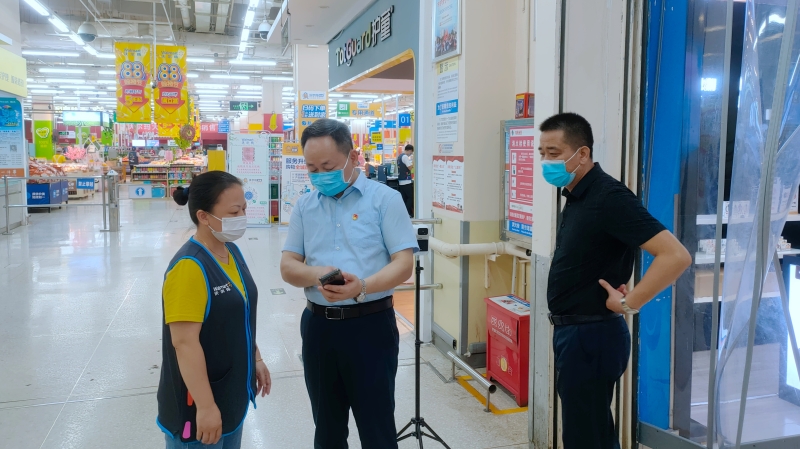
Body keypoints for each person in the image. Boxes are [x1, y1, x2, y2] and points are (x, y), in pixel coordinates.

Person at [539, 113, 691, 449]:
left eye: (554, 153)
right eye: (542, 153)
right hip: (575, 335)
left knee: (587, 438)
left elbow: (675, 256)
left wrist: (628, 302)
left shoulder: (608, 196)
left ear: (582, 153)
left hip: (592, 335)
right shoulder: (577, 195)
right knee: (587, 434)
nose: (546, 162)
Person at [280, 119, 418, 449]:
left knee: (377, 427)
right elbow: (288, 266)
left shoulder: (385, 200)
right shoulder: (305, 205)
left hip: (371, 326)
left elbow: (403, 264)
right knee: (327, 429)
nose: (319, 175)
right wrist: (319, 274)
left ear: (353, 157)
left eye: (327, 167)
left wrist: (362, 286)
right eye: (312, 168)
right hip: (319, 328)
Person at [157, 171, 272, 449]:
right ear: (204, 216)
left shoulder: (230, 251)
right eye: (234, 212)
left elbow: (238, 314)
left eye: (244, 209)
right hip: (198, 406)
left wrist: (255, 357)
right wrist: (206, 407)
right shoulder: (189, 267)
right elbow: (184, 343)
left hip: (230, 395)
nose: (242, 216)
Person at [397, 144, 414, 217]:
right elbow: (409, 167)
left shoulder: (399, 156)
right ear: (409, 150)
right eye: (411, 152)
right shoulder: (405, 157)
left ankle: (404, 213)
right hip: (406, 181)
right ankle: (406, 213)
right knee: (411, 198)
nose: (411, 154)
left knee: (404, 198)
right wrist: (414, 163)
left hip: (401, 181)